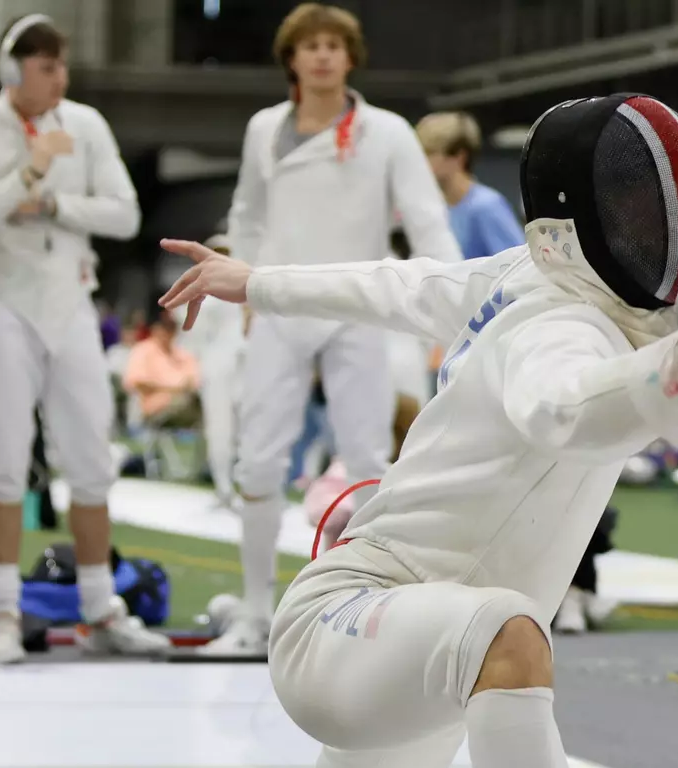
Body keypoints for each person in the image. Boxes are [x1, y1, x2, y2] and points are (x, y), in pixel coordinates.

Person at [76, 92, 678, 768]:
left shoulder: (515, 272)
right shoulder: (555, 326)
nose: (660, 230)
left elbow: (395, 283)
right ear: (577, 225)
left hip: (425, 639)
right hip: (350, 616)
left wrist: (255, 279)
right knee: (512, 635)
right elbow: (566, 410)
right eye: (634, 206)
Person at [207, 2, 462, 658]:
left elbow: (427, 221)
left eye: (333, 45)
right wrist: (244, 285)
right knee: (258, 459)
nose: (322, 55)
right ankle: (255, 612)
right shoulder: (264, 128)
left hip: (358, 308)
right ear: (291, 58)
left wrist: (459, 305)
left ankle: (368, 613)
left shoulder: (387, 132)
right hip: (280, 305)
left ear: (351, 58)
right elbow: (246, 213)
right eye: (310, 45)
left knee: (370, 462)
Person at [0, 14, 170, 663]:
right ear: (12, 70)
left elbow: (125, 213)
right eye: (46, 66)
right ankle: (4, 611)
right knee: (6, 462)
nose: (59, 78)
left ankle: (99, 610)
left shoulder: (86, 125)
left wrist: (51, 205)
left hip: (71, 301)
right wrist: (22, 178)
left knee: (91, 459)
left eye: (62, 65)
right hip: (3, 304)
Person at [176, 234, 249, 506]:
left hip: (244, 362)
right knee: (220, 428)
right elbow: (189, 332)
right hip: (217, 365)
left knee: (248, 427)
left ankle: (248, 487)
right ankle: (223, 486)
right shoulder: (202, 290)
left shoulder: (245, 285)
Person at [416, 110, 526, 259]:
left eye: (429, 153)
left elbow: (516, 263)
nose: (421, 162)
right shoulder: (436, 206)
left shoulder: (487, 206)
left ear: (459, 156)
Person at [123, 307, 202, 432]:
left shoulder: (184, 354)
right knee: (182, 401)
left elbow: (193, 383)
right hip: (154, 408)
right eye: (165, 326)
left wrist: (175, 388)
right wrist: (174, 389)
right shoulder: (142, 351)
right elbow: (138, 383)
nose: (168, 331)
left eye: (172, 327)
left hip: (185, 404)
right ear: (155, 328)